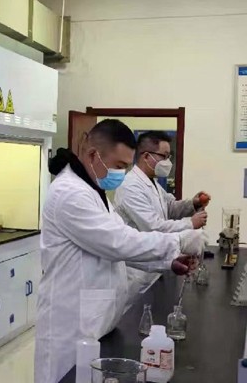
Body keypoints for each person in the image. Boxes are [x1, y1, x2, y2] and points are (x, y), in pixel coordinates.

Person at [34, 120, 207, 383]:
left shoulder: (94, 190)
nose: (122, 174)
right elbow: (119, 242)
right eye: (119, 165)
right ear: (93, 155)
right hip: (70, 325)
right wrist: (179, 241)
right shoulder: (70, 194)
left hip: (94, 320)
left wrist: (168, 263)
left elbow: (119, 249)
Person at [115, 130, 210, 304]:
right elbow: (154, 226)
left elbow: (169, 207)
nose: (168, 162)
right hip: (137, 273)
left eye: (169, 157)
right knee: (136, 316)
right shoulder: (130, 186)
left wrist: (193, 204)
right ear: (146, 156)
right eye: (164, 156)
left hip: (156, 268)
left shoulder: (153, 183)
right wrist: (190, 224)